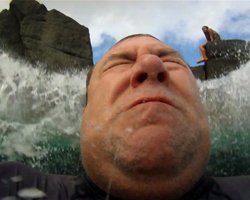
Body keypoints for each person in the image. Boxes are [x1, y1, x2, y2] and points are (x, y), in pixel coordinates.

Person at [1, 34, 250, 200]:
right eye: (120, 64)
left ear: (200, 105)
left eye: (171, 61)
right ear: (84, 114)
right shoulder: (12, 185)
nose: (151, 64)